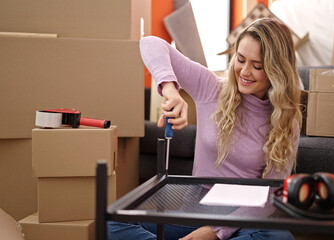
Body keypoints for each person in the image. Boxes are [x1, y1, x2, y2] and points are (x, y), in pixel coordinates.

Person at [108, 17, 302, 240]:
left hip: (244, 220)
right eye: (240, 59)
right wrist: (170, 90)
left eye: (257, 66)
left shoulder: (287, 119)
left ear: (277, 70)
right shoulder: (211, 88)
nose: (245, 72)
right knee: (115, 223)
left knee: (279, 238)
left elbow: (271, 195)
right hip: (195, 214)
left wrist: (216, 232)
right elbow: (150, 43)